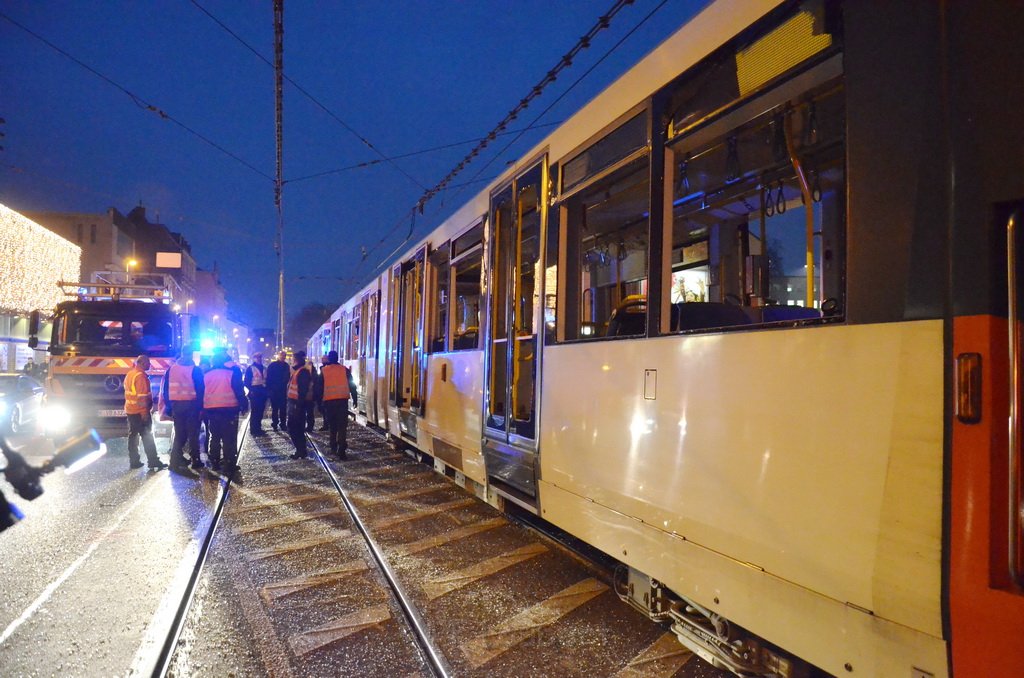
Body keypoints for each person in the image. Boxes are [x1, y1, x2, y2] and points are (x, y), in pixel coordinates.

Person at [203, 348, 248, 475]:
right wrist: (244, 404)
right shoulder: (230, 373)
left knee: (214, 436)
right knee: (229, 437)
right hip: (229, 409)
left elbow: (202, 392)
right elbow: (239, 390)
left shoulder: (207, 374)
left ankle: (215, 462)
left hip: (211, 409)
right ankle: (229, 463)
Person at [161, 346, 205, 471]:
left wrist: (169, 407)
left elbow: (166, 390)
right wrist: (201, 407)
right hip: (192, 405)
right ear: (191, 355)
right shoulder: (195, 370)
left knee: (180, 434)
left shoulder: (172, 370)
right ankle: (195, 460)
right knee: (193, 433)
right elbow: (200, 389)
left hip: (176, 406)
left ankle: (174, 461)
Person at [124, 354, 167, 471]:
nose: (149, 365)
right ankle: (153, 461)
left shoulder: (130, 374)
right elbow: (142, 398)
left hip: (131, 410)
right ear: (142, 363)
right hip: (139, 412)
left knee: (133, 436)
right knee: (147, 436)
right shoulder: (141, 377)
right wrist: (144, 413)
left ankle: (134, 461)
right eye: (148, 363)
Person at [316, 351, 352, 459]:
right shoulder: (344, 369)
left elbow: (319, 387)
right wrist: (354, 398)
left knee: (333, 426)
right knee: (342, 426)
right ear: (337, 358)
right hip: (342, 402)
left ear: (329, 359)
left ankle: (333, 446)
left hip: (329, 402)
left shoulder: (324, 371)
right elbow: (352, 384)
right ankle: (342, 449)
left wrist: (319, 402)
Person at [287, 350, 314, 459]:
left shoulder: (302, 372)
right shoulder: (298, 371)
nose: (291, 361)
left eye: (293, 359)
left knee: (295, 429)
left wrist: (298, 405)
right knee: (295, 428)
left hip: (297, 405)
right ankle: (300, 450)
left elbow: (302, 390)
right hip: (294, 404)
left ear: (296, 360)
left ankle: (301, 450)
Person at [243, 352, 268, 436]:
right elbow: (246, 381)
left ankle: (258, 428)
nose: (259, 359)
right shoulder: (250, 368)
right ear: (254, 359)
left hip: (262, 391)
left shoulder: (264, 368)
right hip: (255, 391)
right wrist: (251, 391)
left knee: (261, 411)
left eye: (260, 357)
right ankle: (254, 429)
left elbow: (266, 380)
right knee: (255, 411)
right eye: (257, 357)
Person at [265, 350, 290, 432]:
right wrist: (270, 389)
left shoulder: (285, 366)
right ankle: (275, 423)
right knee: (275, 408)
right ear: (278, 356)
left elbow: (287, 377)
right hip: (276, 391)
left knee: (282, 408)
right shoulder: (274, 365)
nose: (283, 357)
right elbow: (268, 378)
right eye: (282, 355)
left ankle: (282, 424)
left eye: (284, 355)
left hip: (281, 391)